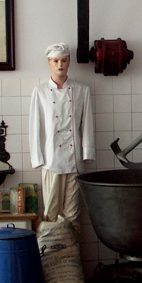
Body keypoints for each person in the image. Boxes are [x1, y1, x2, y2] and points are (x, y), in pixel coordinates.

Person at [29, 43, 95, 228]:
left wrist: (87, 153)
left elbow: (87, 124)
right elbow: (35, 126)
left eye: (64, 60)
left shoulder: (82, 90)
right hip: (51, 161)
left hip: (74, 161)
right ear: (49, 63)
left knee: (73, 214)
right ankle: (52, 247)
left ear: (69, 62)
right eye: (55, 61)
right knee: (51, 212)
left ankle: (72, 247)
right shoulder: (40, 91)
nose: (60, 65)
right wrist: (37, 158)